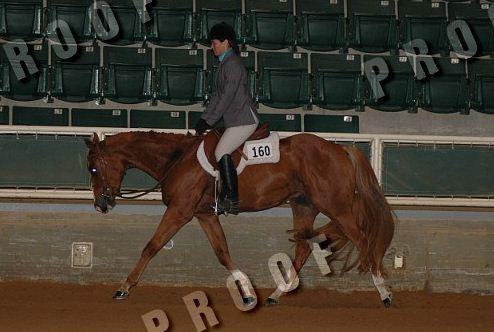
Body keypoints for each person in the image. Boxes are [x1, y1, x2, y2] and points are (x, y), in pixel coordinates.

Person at [195, 22, 260, 215]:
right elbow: (217, 97)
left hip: (244, 119)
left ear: (226, 43)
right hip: (234, 119)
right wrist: (204, 118)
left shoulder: (232, 65)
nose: (212, 46)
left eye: (215, 42)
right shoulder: (225, 64)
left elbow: (226, 98)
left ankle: (232, 200)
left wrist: (209, 121)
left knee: (221, 151)